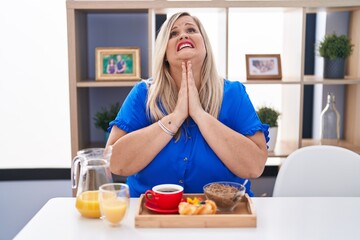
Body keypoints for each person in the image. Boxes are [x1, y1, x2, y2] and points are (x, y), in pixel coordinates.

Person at [106, 12, 269, 197]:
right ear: (164, 53)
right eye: (173, 34)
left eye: (191, 29)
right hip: (150, 211)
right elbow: (115, 162)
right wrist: (175, 118)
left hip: (223, 211)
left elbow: (255, 167)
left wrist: (199, 114)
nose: (183, 35)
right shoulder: (143, 94)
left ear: (205, 45)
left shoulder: (234, 94)